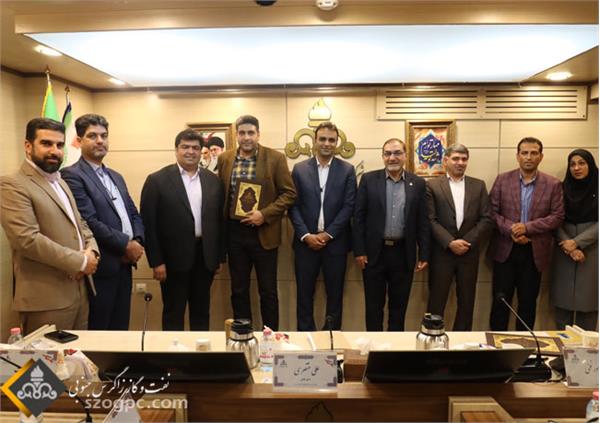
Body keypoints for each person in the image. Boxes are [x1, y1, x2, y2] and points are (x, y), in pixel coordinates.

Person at [0, 118, 99, 334]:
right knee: (47, 357)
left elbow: (80, 223)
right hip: (46, 300)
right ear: (28, 146)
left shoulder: (61, 181)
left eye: (60, 145)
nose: (54, 151)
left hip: (79, 293)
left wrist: (92, 251)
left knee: (78, 355)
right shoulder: (12, 184)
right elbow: (27, 240)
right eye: (46, 143)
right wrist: (81, 262)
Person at [61, 114, 145, 330]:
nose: (100, 141)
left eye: (104, 136)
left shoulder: (116, 176)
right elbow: (89, 221)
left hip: (125, 266)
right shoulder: (72, 175)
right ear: (78, 141)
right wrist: (125, 245)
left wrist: (137, 241)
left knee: (121, 330)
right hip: (101, 267)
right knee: (100, 331)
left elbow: (133, 213)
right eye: (92, 136)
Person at [217, 115, 296, 330]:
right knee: (238, 290)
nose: (246, 137)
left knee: (268, 291)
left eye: (251, 133)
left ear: (258, 134)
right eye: (242, 133)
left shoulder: (275, 158)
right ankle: (243, 336)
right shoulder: (225, 159)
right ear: (236, 135)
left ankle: (270, 338)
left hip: (264, 233)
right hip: (234, 234)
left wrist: (264, 214)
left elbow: (289, 194)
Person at [140, 129, 225, 330]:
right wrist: (156, 261)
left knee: (201, 312)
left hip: (205, 258)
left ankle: (200, 350)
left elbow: (219, 221)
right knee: (173, 312)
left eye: (195, 148)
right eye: (185, 147)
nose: (190, 152)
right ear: (176, 149)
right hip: (172, 260)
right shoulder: (157, 180)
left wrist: (219, 257)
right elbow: (149, 224)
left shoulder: (213, 180)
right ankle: (173, 351)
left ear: (201, 151)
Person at [353, 138, 430, 331]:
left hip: (403, 254)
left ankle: (394, 347)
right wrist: (359, 251)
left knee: (398, 309)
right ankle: (373, 346)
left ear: (405, 156)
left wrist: (424, 254)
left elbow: (423, 221)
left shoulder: (418, 183)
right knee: (373, 308)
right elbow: (358, 217)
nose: (392, 157)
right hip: (374, 254)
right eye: (387, 153)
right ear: (383, 156)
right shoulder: (369, 180)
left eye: (397, 153)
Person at [488, 137, 564, 330]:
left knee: (528, 304)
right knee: (500, 302)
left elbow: (557, 216)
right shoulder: (502, 180)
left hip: (534, 252)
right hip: (505, 250)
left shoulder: (553, 184)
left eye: (534, 153)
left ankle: (524, 345)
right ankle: (495, 346)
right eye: (524, 153)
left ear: (541, 156)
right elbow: (491, 212)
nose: (529, 157)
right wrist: (511, 229)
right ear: (518, 156)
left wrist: (527, 228)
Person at [289, 122, 356, 331]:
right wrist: (305, 235)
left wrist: (328, 235)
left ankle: (331, 339)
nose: (327, 143)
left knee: (335, 297)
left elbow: (349, 206)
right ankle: (305, 338)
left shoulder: (347, 170)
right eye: (323, 139)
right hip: (305, 245)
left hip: (335, 245)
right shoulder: (300, 169)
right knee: (304, 296)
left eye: (331, 140)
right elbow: (293, 206)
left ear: (336, 143)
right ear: (315, 141)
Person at [426, 144, 492, 331]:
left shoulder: (478, 185)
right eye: (456, 158)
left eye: (464, 159)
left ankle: (462, 342)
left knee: (466, 303)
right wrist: (450, 242)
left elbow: (486, 218)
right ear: (446, 160)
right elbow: (430, 219)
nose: (460, 163)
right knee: (436, 301)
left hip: (468, 253)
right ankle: (433, 338)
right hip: (442, 253)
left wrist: (467, 242)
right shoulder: (432, 185)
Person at [551, 149, 598, 330]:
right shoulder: (562, 188)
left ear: (590, 165)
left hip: (593, 249)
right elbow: (554, 219)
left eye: (581, 163)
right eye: (572, 164)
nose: (576, 168)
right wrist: (569, 245)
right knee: (562, 305)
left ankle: (587, 347)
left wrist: (577, 242)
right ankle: (563, 346)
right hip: (564, 249)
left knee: (589, 304)